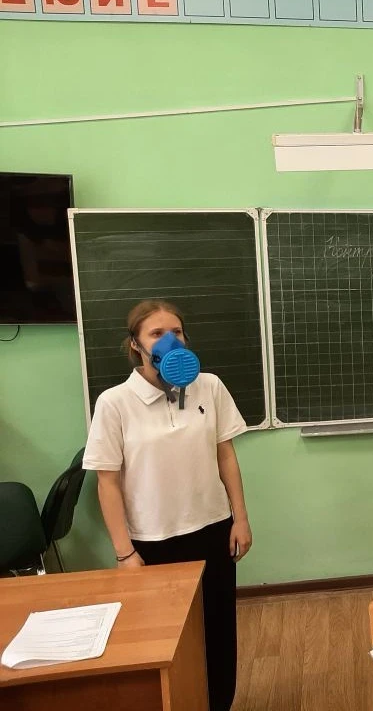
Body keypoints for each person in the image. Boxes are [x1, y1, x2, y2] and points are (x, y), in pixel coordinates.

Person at [82, 299, 252, 711]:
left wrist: (241, 519)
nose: (169, 341)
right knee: (165, 644)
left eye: (176, 332)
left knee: (217, 635)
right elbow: (107, 482)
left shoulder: (209, 386)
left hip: (212, 529)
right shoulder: (115, 402)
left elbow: (225, 455)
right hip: (152, 541)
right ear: (136, 344)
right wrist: (124, 553)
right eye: (156, 333)